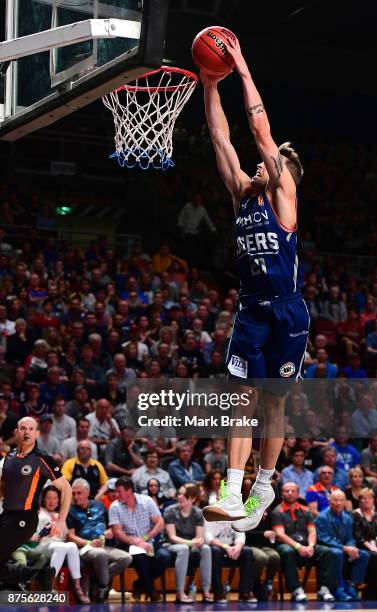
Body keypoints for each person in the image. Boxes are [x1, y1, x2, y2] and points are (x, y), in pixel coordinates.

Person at [200, 36, 309, 532]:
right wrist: (209, 85)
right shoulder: (243, 192)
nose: (265, 161)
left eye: (274, 162)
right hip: (251, 309)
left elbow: (259, 129)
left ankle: (264, 483)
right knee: (241, 397)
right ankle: (231, 486)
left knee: (274, 400)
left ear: (287, 174)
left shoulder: (283, 197)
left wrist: (243, 69)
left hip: (286, 310)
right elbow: (222, 138)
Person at [0, 417, 71, 582]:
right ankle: (40, 574)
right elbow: (4, 488)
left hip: (25, 518)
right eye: (23, 428)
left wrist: (61, 520)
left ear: (37, 434)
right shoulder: (9, 456)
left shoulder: (42, 458)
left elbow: (66, 488)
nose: (27, 432)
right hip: (7, 515)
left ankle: (34, 576)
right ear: (16, 433)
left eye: (31, 429)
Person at [67, 478, 132, 603]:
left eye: (79, 493)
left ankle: (97, 582)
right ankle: (102, 588)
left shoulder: (99, 505)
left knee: (126, 558)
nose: (75, 497)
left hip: (103, 545)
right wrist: (88, 543)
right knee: (101, 554)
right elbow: (71, 536)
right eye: (73, 493)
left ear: (87, 492)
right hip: (84, 548)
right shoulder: (71, 510)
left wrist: (110, 532)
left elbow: (113, 526)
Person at [109, 476, 171, 602]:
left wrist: (145, 538)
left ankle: (138, 585)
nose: (116, 494)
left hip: (148, 540)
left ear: (129, 491)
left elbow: (160, 523)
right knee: (140, 556)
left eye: (119, 491)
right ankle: (152, 592)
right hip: (127, 544)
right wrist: (135, 541)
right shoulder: (114, 507)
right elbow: (118, 532)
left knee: (165, 557)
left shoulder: (147, 501)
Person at [271, 482, 335, 602]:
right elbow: (280, 535)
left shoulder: (306, 511)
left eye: (293, 491)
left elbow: (312, 532)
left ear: (298, 493)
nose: (290, 493)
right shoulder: (277, 512)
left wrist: (311, 546)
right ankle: (296, 589)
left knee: (325, 551)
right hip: (289, 546)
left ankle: (323, 588)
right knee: (287, 551)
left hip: (306, 547)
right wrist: (298, 547)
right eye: (286, 491)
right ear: (282, 494)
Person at [29, 485, 90, 603]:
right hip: (41, 545)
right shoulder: (39, 513)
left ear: (58, 500)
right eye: (48, 498)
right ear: (44, 499)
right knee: (61, 546)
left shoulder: (61, 516)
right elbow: (33, 537)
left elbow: (65, 536)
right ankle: (49, 585)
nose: (51, 501)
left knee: (71, 546)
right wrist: (44, 532)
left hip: (58, 545)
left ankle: (78, 587)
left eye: (55, 498)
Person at [316, 490, 370, 602]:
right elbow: (324, 538)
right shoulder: (322, 517)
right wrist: (344, 548)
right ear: (330, 501)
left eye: (341, 500)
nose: (339, 503)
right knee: (337, 553)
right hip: (324, 548)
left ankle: (352, 586)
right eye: (335, 500)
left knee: (363, 554)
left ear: (345, 502)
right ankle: (337, 588)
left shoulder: (347, 518)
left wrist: (352, 547)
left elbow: (350, 538)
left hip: (342, 547)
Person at [164, 484, 213, 603]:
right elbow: (172, 537)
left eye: (183, 495)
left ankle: (206, 591)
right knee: (184, 549)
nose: (179, 496)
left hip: (191, 544)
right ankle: (180, 592)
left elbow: (199, 536)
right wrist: (191, 542)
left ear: (193, 498)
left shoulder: (198, 512)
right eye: (179, 494)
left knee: (206, 548)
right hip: (171, 545)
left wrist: (199, 540)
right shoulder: (170, 511)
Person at [352, 488, 377, 599]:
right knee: (374, 555)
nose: (367, 501)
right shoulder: (356, 514)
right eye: (364, 498)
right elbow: (358, 536)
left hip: (373, 545)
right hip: (359, 546)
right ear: (360, 501)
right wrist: (372, 547)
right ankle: (370, 589)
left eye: (369, 498)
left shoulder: (375, 514)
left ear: (373, 500)